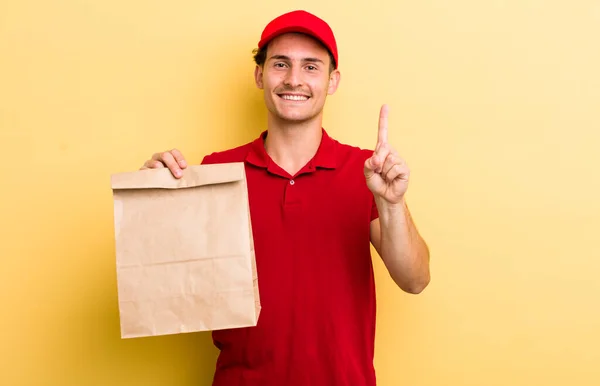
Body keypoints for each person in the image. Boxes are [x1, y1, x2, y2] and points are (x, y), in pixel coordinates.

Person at [140, 9, 430, 386]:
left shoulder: (366, 171)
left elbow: (415, 279)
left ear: (333, 80)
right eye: (281, 64)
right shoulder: (217, 171)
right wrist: (151, 204)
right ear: (260, 75)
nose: (295, 79)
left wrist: (391, 204)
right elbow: (170, 284)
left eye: (311, 67)